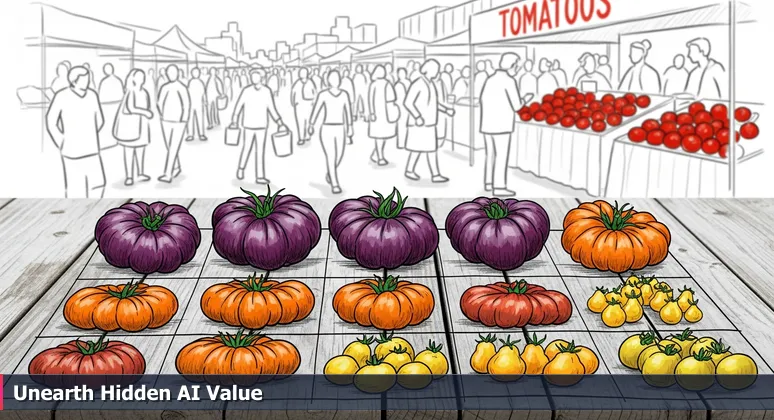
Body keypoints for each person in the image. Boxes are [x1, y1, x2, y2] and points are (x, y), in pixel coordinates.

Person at [45, 66, 106, 198]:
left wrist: (89, 135)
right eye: (84, 80)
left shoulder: (92, 95)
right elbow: (51, 122)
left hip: (92, 150)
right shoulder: (61, 96)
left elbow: (100, 120)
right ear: (74, 81)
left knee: (98, 184)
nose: (87, 82)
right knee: (75, 188)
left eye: (88, 79)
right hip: (71, 153)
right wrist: (62, 142)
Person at [230, 69, 287, 185]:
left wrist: (279, 122)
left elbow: (272, 108)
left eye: (256, 76)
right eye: (252, 76)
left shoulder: (267, 91)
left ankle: (260, 176)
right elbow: (238, 105)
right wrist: (234, 119)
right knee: (247, 148)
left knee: (260, 151)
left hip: (262, 125)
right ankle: (241, 168)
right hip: (249, 125)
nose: (254, 78)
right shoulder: (246, 91)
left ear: (261, 77)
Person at [403, 59, 454, 183]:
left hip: (428, 123)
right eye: (435, 69)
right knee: (420, 149)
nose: (437, 72)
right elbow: (408, 102)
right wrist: (417, 116)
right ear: (429, 69)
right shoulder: (418, 83)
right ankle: (430, 174)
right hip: (420, 124)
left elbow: (434, 103)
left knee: (426, 149)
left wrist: (445, 109)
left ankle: (427, 173)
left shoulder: (430, 83)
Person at [480, 53, 523, 197]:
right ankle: (499, 186)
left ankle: (488, 183)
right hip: (502, 125)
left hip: (487, 124)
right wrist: (525, 100)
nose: (517, 68)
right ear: (512, 65)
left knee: (490, 154)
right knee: (501, 155)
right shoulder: (509, 80)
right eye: (517, 65)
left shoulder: (490, 79)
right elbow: (517, 105)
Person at [309, 70, 354, 195]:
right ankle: (335, 183)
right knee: (331, 156)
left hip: (341, 128)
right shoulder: (323, 94)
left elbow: (348, 112)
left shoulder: (344, 94)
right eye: (332, 78)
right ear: (328, 80)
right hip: (327, 128)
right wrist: (311, 124)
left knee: (339, 156)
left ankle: (330, 172)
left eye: (337, 77)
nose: (335, 80)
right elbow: (316, 109)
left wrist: (350, 128)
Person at [114, 69, 153, 186]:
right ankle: (129, 176)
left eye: (142, 76)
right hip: (131, 126)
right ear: (133, 78)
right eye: (139, 76)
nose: (141, 78)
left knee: (141, 149)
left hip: (142, 125)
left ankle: (140, 173)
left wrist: (146, 113)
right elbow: (131, 108)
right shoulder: (131, 91)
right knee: (129, 151)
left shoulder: (144, 92)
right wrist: (145, 112)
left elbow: (148, 105)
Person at [157, 65, 190, 183]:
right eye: (169, 72)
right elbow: (159, 103)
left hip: (179, 121)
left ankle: (168, 174)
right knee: (170, 146)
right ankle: (176, 167)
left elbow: (186, 104)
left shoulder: (182, 87)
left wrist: (184, 119)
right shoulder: (164, 87)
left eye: (173, 72)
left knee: (173, 147)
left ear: (177, 73)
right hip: (166, 120)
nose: (171, 74)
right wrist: (162, 115)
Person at [368, 65, 399, 166]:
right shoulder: (387, 84)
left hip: (377, 113)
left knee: (379, 136)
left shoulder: (373, 84)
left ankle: (375, 154)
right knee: (382, 136)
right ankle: (380, 157)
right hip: (385, 113)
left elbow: (370, 100)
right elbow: (392, 98)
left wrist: (372, 112)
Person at [98, 63, 124, 151]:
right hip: (116, 105)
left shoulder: (104, 81)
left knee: (108, 123)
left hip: (107, 105)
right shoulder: (118, 80)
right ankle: (115, 140)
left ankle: (110, 141)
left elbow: (100, 95)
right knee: (114, 123)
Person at [291, 68, 317, 145]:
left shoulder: (310, 82)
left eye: (304, 73)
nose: (302, 74)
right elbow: (293, 93)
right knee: (300, 122)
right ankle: (301, 138)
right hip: (299, 105)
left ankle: (308, 135)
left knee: (308, 120)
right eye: (301, 73)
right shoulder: (297, 83)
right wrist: (293, 103)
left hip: (309, 104)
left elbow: (315, 93)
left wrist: (314, 102)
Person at [186, 68, 207, 141]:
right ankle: (190, 135)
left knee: (200, 119)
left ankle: (201, 134)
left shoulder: (201, 82)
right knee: (190, 119)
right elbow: (187, 93)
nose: (196, 74)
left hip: (199, 103)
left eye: (197, 72)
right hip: (191, 103)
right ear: (192, 73)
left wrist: (205, 101)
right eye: (194, 72)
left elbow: (204, 93)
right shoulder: (190, 82)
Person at [394, 68, 410, 150]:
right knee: (402, 125)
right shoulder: (400, 84)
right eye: (400, 73)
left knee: (404, 125)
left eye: (402, 73)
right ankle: (401, 143)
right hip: (403, 107)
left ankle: (403, 143)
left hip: (403, 106)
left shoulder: (401, 84)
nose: (401, 74)